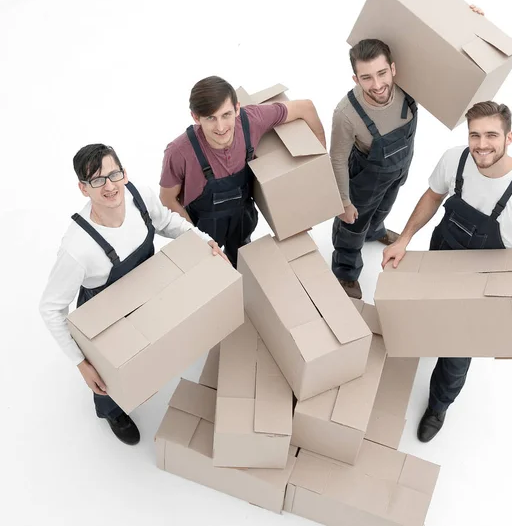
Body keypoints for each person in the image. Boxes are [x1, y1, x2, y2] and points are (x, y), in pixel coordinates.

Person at [381, 101, 512, 443]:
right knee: (424, 312)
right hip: (443, 253)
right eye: (475, 134)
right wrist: (404, 239)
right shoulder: (455, 159)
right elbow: (433, 196)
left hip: (484, 279)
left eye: (492, 135)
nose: (482, 144)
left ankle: (439, 405)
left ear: (509, 137)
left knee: (457, 352)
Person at [39, 144, 226, 445]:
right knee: (107, 379)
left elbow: (166, 221)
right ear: (83, 188)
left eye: (114, 174)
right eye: (97, 180)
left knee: (154, 342)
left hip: (146, 290)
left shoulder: (139, 197)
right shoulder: (76, 248)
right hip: (106, 314)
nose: (110, 186)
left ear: (124, 173)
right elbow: (50, 308)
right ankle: (113, 411)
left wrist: (205, 241)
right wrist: (81, 363)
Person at [330, 5, 485, 300]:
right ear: (355, 80)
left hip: (398, 170)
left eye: (381, 73)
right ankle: (346, 270)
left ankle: (375, 231)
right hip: (363, 179)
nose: (377, 85)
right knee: (353, 225)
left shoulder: (411, 86)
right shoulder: (346, 114)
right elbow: (336, 158)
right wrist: (344, 200)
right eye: (366, 78)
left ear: (393, 69)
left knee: (384, 208)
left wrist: (470, 23)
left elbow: (451, 65)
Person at [159, 75, 326, 267]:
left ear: (237, 108)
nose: (221, 127)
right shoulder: (179, 152)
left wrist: (320, 158)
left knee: (242, 261)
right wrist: (196, 239)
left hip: (242, 215)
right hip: (204, 225)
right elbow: (167, 198)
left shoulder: (251, 120)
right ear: (196, 117)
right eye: (210, 118)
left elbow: (305, 107)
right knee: (210, 275)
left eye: (226, 115)